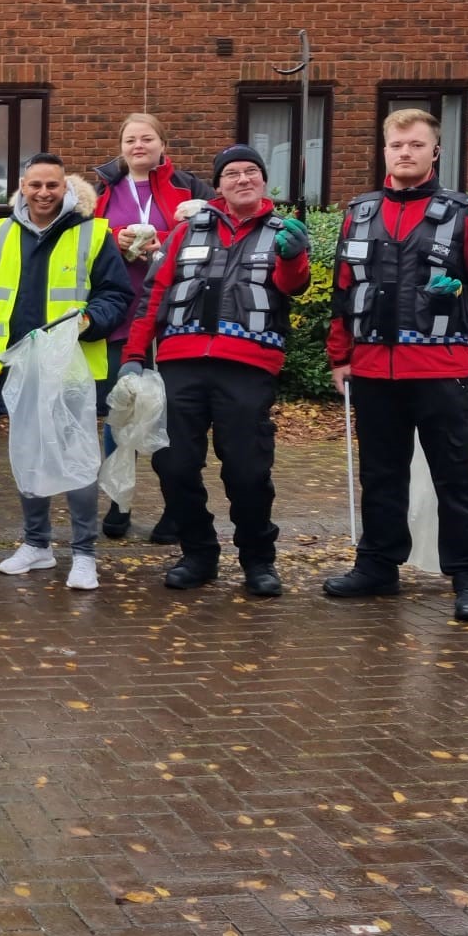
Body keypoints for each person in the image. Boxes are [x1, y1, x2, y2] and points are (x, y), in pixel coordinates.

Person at [324, 108, 468, 622]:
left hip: (439, 369)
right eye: (396, 145)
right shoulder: (358, 212)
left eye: (415, 144)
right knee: (381, 475)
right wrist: (340, 355)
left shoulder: (464, 213)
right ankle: (379, 565)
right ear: (384, 151)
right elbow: (345, 291)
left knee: (455, 476)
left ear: (434, 152)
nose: (404, 153)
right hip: (374, 372)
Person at [118, 144, 310, 597]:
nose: (242, 180)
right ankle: (199, 552)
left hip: (248, 366)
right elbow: (154, 294)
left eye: (251, 173)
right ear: (218, 185)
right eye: (232, 174)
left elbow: (293, 286)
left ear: (263, 181)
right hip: (181, 364)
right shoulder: (188, 231)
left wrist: (293, 256)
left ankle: (258, 559)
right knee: (174, 464)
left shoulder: (284, 231)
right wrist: (133, 354)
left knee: (247, 471)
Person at [0, 155, 132, 591]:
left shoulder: (92, 233)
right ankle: (37, 544)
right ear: (22, 187)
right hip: (19, 366)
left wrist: (90, 321)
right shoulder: (0, 234)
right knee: (29, 455)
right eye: (35, 185)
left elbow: (117, 294)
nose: (43, 193)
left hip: (72, 367)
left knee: (77, 461)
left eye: (52, 186)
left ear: (67, 189)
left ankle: (84, 554)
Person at [92, 113, 217, 541]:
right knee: (118, 410)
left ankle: (175, 507)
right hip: (121, 312)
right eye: (130, 139)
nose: (138, 145)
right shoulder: (102, 188)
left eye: (147, 138)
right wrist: (117, 236)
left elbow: (217, 231)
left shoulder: (189, 188)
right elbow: (86, 235)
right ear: (121, 146)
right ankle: (117, 500)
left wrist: (168, 237)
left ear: (163, 144)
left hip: (175, 316)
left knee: (173, 415)